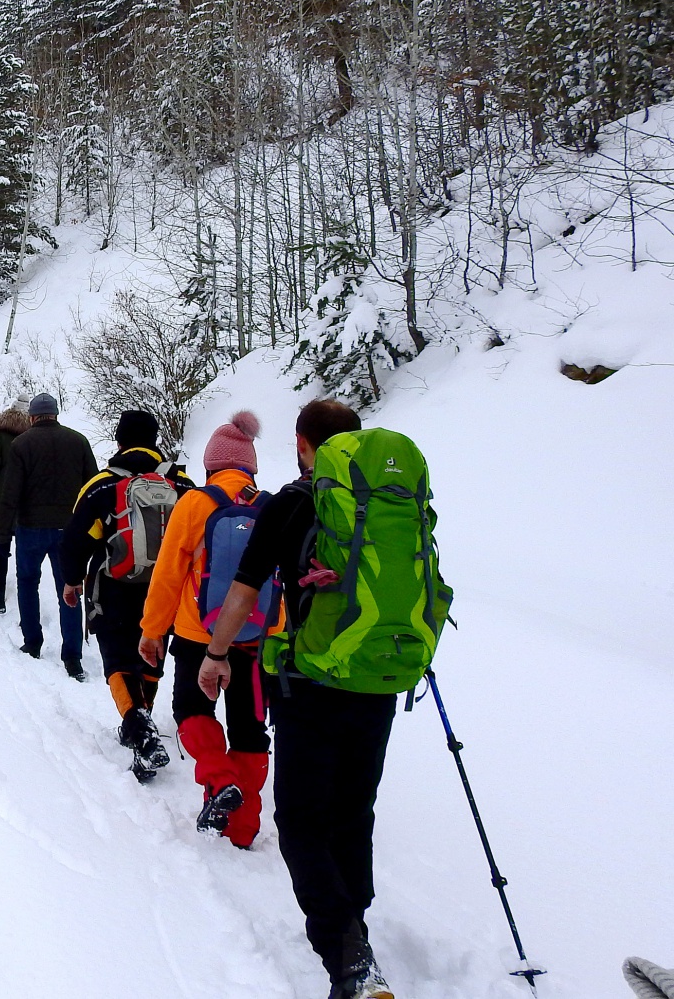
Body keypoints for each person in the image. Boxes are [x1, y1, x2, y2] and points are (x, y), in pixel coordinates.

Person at [200, 400, 394, 999]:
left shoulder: (291, 504)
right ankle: (353, 929)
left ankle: (347, 958)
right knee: (352, 814)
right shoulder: (387, 505)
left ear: (304, 446)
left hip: (306, 684)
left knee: (303, 822)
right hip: (376, 679)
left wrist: (215, 655)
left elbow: (242, 594)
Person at [137, 410, 271, 849]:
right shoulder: (269, 504)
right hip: (257, 637)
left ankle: (219, 779)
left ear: (210, 465)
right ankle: (244, 829)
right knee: (250, 729)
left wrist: (153, 630)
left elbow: (168, 576)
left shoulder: (195, 503)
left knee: (192, 712)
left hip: (200, 635)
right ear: (250, 465)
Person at [60, 410, 193, 782]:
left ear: (119, 441)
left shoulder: (102, 485)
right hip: (166, 590)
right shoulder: (181, 483)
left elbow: (74, 539)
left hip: (114, 587)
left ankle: (139, 729)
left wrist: (72, 581)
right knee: (150, 656)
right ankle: (143, 720)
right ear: (155, 441)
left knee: (118, 660)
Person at [0, 392, 97, 681]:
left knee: (28, 583)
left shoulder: (21, 443)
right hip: (68, 529)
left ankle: (32, 641)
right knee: (69, 588)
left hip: (30, 527)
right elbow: (92, 486)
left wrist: (3, 532)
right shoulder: (78, 441)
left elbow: (10, 492)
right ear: (56, 413)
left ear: (32, 417)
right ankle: (73, 656)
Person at [0, 395, 30, 613]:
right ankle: (26, 592)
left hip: (2, 497)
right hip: (29, 498)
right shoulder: (33, 436)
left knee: (1, 544)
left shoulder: (0, 436)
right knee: (25, 544)